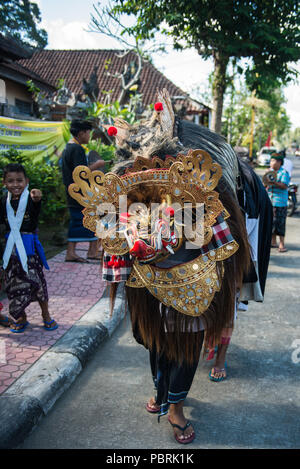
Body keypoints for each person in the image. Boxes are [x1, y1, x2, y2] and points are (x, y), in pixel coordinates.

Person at [68, 91, 251, 444]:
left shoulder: (195, 193)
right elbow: (114, 245)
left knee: (186, 346)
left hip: (191, 283)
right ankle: (160, 389)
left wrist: (182, 227)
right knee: (150, 340)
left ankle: (176, 406)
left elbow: (219, 243)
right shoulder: (124, 197)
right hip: (147, 289)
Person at [0, 163, 57, 333]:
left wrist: (37, 197)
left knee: (38, 283)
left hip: (29, 249)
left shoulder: (31, 199)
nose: (15, 184)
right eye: (10, 181)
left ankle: (46, 314)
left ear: (26, 181)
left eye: (19, 180)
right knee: (13, 284)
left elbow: (37, 200)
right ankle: (21, 316)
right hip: (10, 252)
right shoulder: (4, 202)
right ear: (4, 183)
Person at [61, 120, 105, 262]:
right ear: (81, 133)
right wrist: (97, 165)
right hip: (80, 193)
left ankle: (72, 252)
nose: (89, 136)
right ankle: (91, 251)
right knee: (92, 218)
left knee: (77, 221)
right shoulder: (77, 149)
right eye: (88, 133)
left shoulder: (68, 147)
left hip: (72, 192)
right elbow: (80, 173)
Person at [265, 152, 290, 253]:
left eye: (273, 161)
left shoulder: (284, 173)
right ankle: (273, 242)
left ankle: (281, 244)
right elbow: (264, 184)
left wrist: (273, 182)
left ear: (279, 162)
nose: (271, 163)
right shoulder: (269, 172)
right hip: (270, 200)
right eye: (271, 161)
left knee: (280, 223)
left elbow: (284, 185)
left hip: (280, 202)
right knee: (271, 222)